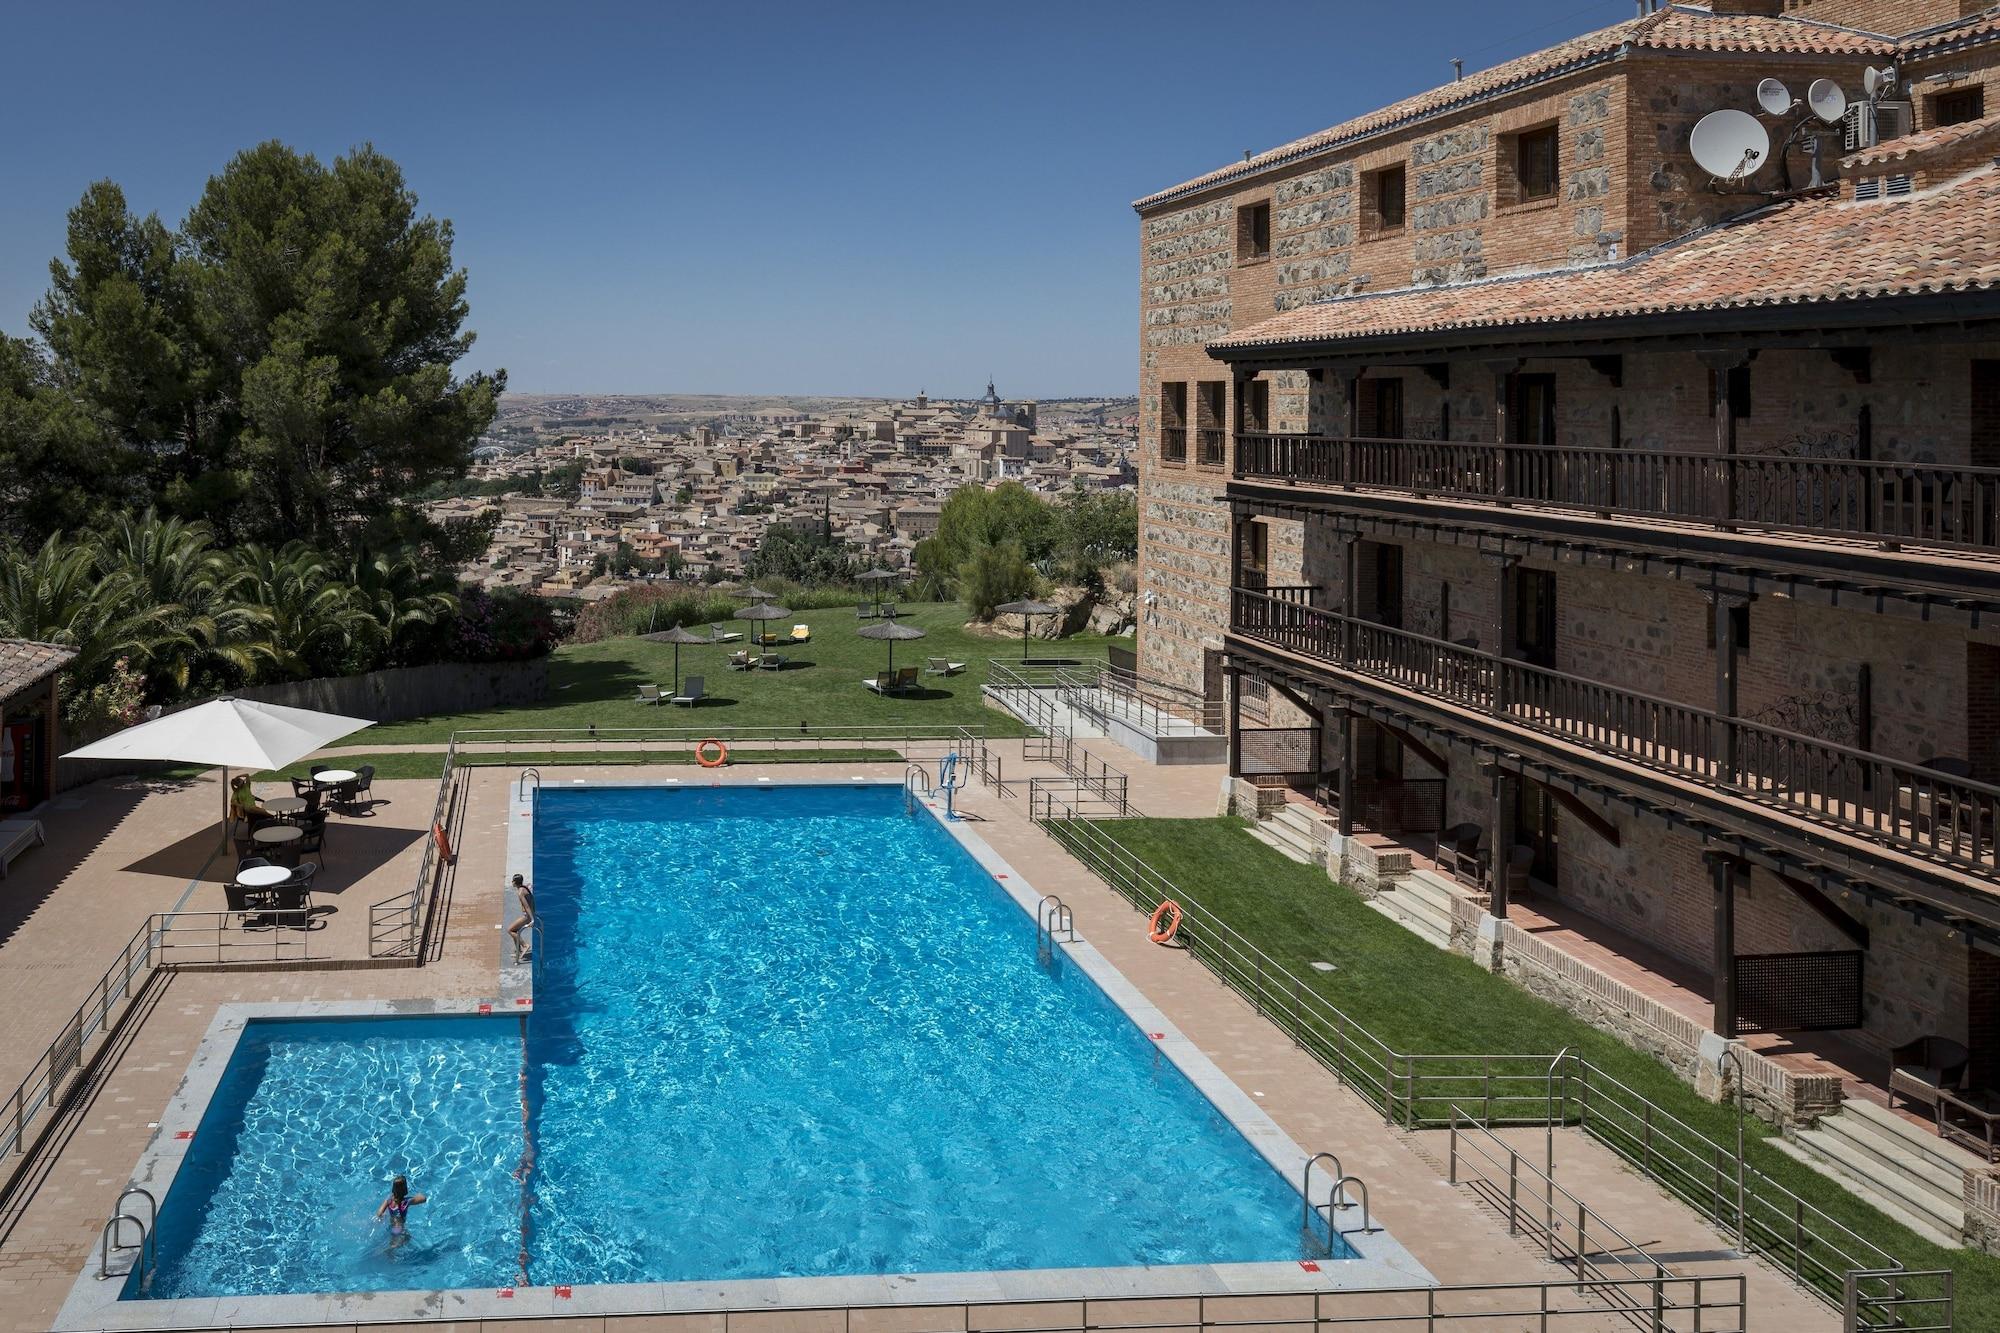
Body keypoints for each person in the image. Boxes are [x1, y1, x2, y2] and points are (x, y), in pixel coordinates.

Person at [376, 1174, 427, 1247]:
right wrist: (416, 1191)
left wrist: (384, 1216)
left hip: (392, 1225)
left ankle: (389, 1251)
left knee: (394, 1241)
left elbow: (379, 1213)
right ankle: (389, 1251)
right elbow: (423, 1198)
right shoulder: (406, 1201)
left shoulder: (389, 1200)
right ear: (405, 1189)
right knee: (406, 1239)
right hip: (400, 1227)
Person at [508, 874, 536, 961]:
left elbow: (526, 906)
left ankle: (525, 945)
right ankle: (518, 952)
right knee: (514, 930)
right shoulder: (524, 888)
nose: (512, 882)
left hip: (527, 916)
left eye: (512, 881)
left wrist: (532, 919)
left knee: (510, 930)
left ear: (515, 882)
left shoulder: (520, 892)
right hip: (528, 914)